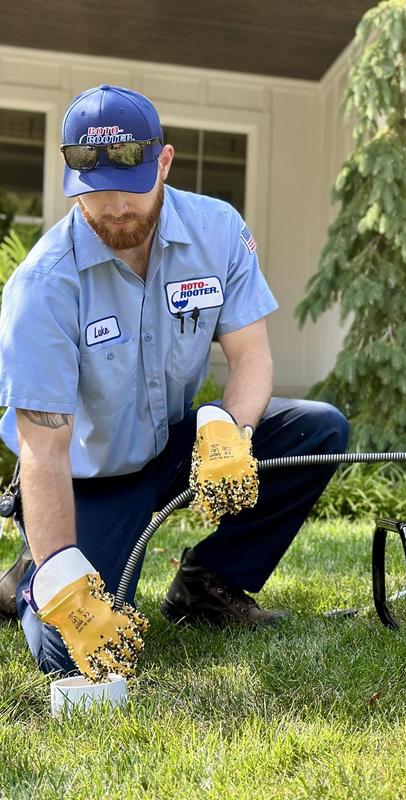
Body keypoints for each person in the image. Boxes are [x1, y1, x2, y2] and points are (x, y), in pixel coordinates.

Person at [0, 85, 349, 679]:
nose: (115, 207)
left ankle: (207, 584)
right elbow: (44, 448)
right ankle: (34, 573)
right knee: (71, 656)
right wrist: (66, 577)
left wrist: (232, 432)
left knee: (316, 430)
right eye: (95, 191)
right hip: (90, 477)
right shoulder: (43, 285)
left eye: (130, 186)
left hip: (171, 444)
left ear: (164, 162)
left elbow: (251, 356)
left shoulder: (217, 232)